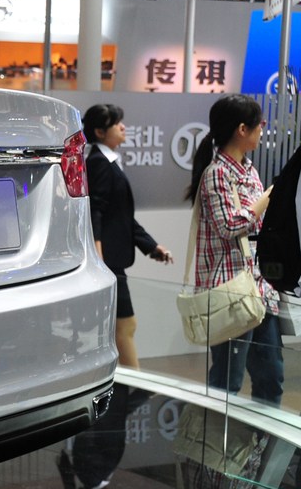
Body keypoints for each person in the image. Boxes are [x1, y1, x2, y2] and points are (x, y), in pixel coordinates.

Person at [187, 93, 282, 406]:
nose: (262, 129)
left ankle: (260, 438)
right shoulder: (217, 173)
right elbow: (229, 225)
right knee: (228, 381)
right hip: (230, 293)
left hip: (259, 289)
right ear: (242, 129)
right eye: (259, 124)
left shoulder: (249, 170)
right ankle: (213, 437)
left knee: (271, 378)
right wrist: (267, 198)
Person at [83, 104, 173, 369]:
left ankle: (126, 384)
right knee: (125, 325)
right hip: (108, 262)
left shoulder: (108, 162)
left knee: (120, 327)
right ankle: (133, 384)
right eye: (116, 123)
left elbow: (121, 216)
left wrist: (151, 246)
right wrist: (98, 258)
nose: (123, 127)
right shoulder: (99, 163)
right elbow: (95, 211)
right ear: (100, 131)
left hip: (111, 261)